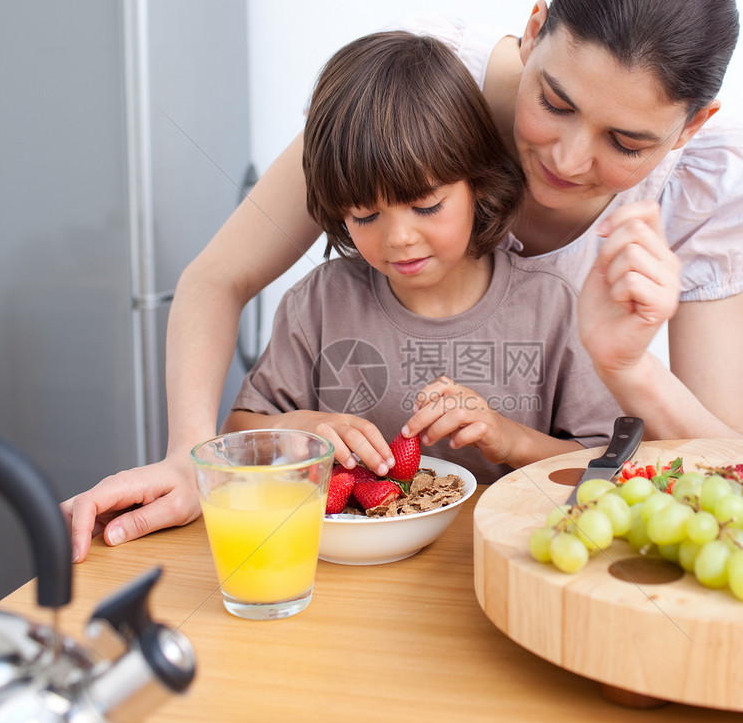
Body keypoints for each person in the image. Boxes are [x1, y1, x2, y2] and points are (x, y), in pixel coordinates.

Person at [62, 0, 743, 560]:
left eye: (626, 142)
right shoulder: (411, 94)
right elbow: (215, 279)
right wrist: (194, 458)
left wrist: (628, 368)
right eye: (554, 102)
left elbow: (738, 473)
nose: (568, 158)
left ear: (691, 126)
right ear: (533, 30)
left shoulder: (711, 179)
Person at [219, 30, 632, 486]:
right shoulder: (320, 303)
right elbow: (237, 432)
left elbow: (609, 466)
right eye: (366, 214)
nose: (398, 238)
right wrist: (302, 429)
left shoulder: (552, 306)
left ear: (478, 181)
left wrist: (510, 439)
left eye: (427, 206)